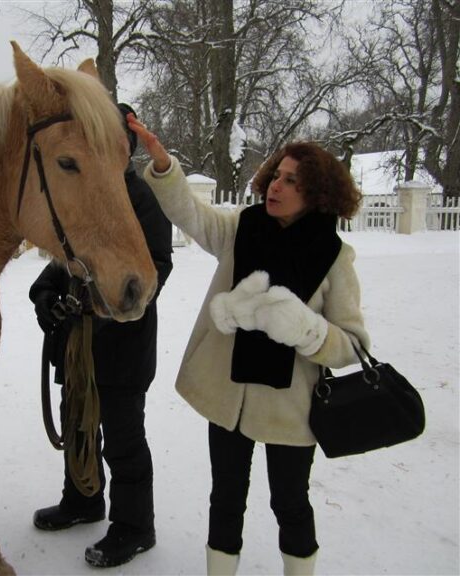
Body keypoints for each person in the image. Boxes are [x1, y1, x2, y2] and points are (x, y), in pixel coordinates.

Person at [127, 115, 370, 576]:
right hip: (230, 398)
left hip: (290, 409)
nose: (276, 185)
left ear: (316, 193)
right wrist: (162, 164)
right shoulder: (245, 227)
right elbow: (193, 217)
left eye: (291, 180)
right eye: (276, 174)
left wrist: (305, 329)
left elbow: (351, 346)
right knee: (226, 497)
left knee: (290, 503)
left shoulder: (335, 258)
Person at [29, 104, 173, 569]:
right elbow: (58, 259)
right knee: (78, 426)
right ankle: (84, 500)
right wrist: (47, 296)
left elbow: (156, 266)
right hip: (76, 345)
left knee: (123, 438)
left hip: (122, 346)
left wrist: (104, 306)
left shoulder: (140, 197)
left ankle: (135, 526)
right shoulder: (84, 191)